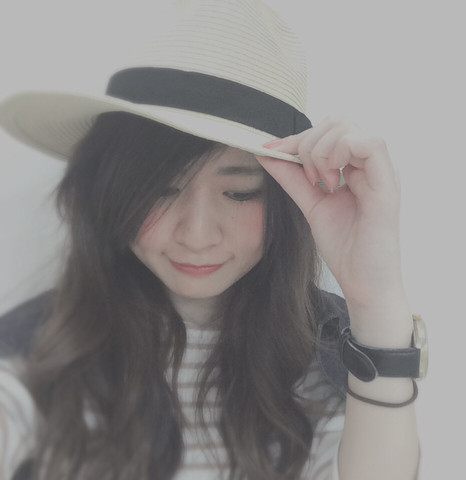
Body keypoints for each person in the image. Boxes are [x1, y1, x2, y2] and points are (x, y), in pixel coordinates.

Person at [0, 0, 426, 478]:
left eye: (239, 192)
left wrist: (375, 300)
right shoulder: (31, 356)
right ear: (111, 189)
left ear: (285, 201)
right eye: (160, 189)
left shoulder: (331, 351)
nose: (198, 234)